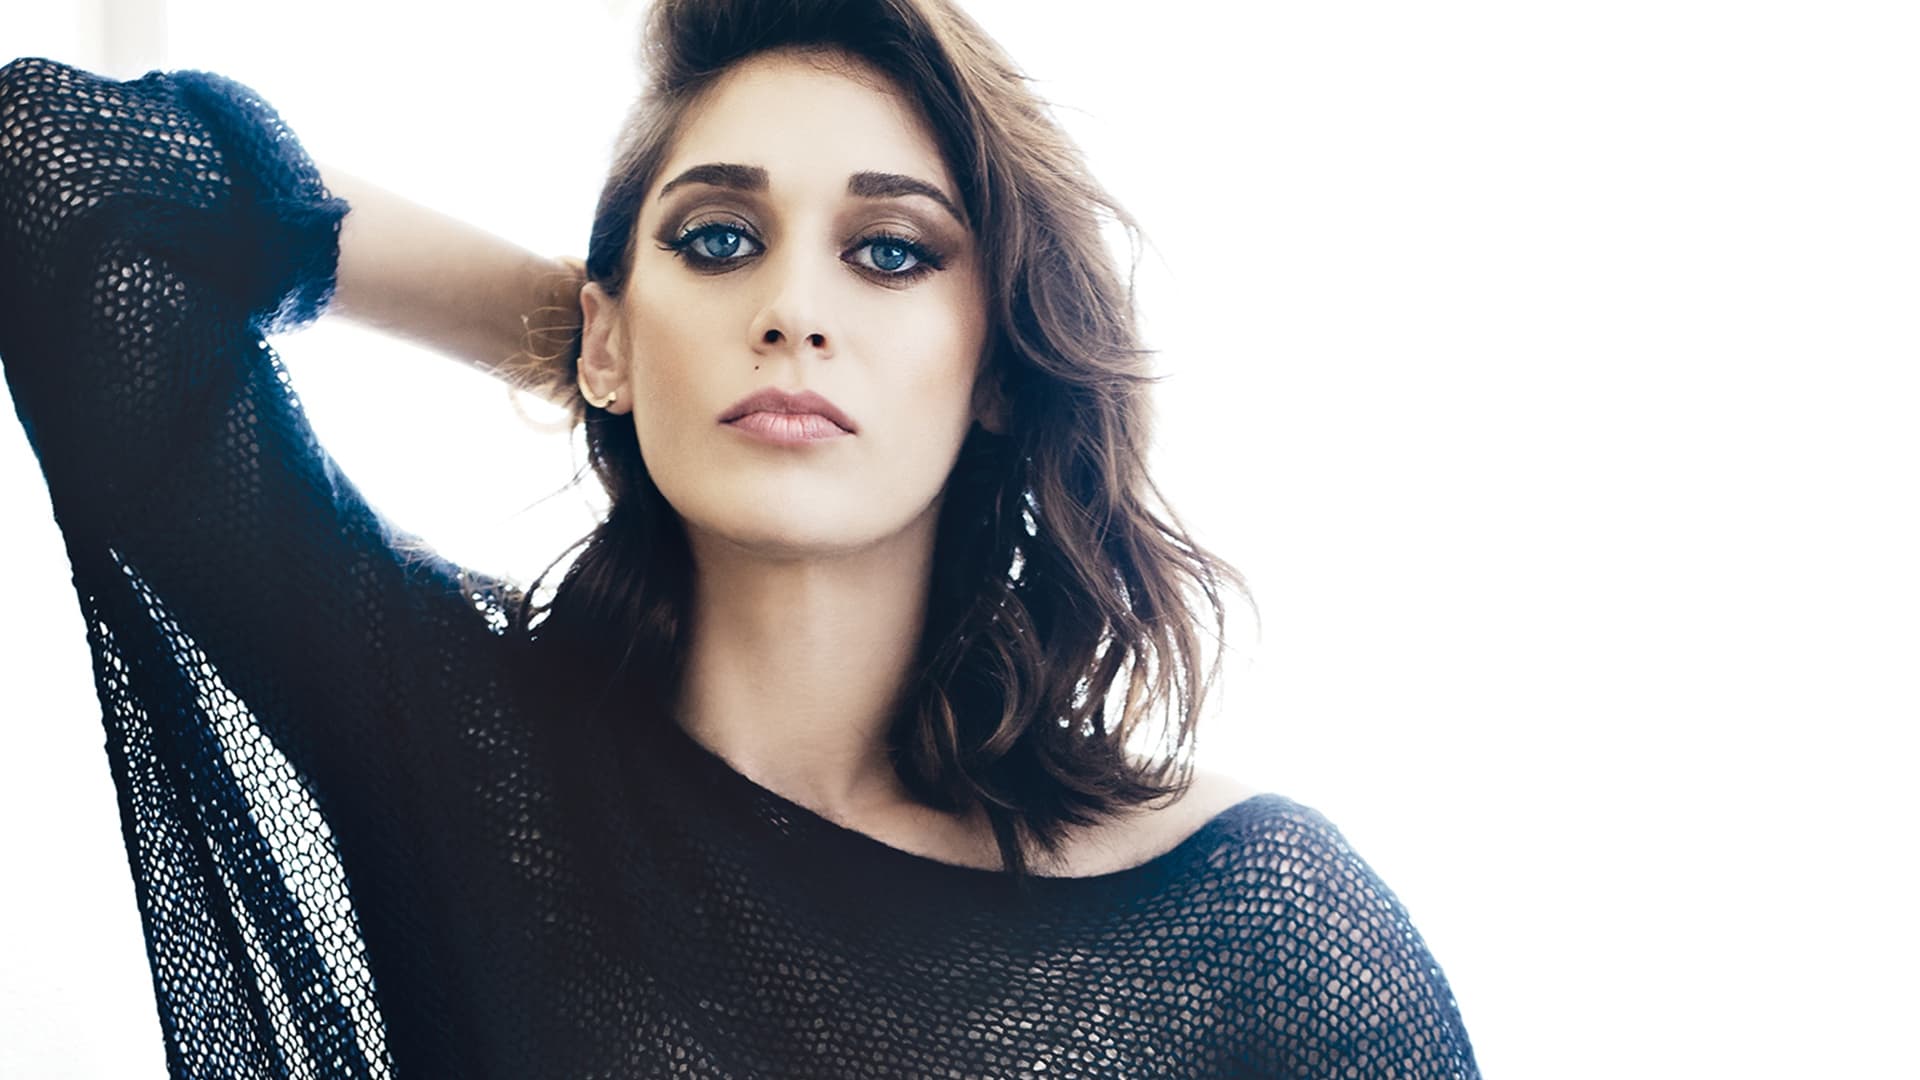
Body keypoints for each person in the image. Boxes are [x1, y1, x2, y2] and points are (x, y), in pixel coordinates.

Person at [0, 0, 1481, 1075]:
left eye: (888, 251)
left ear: (999, 371)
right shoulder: (460, 747)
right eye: (717, 241)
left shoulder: (1255, 930)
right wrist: (596, 345)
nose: (790, 310)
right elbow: (57, 170)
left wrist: (652, 339)